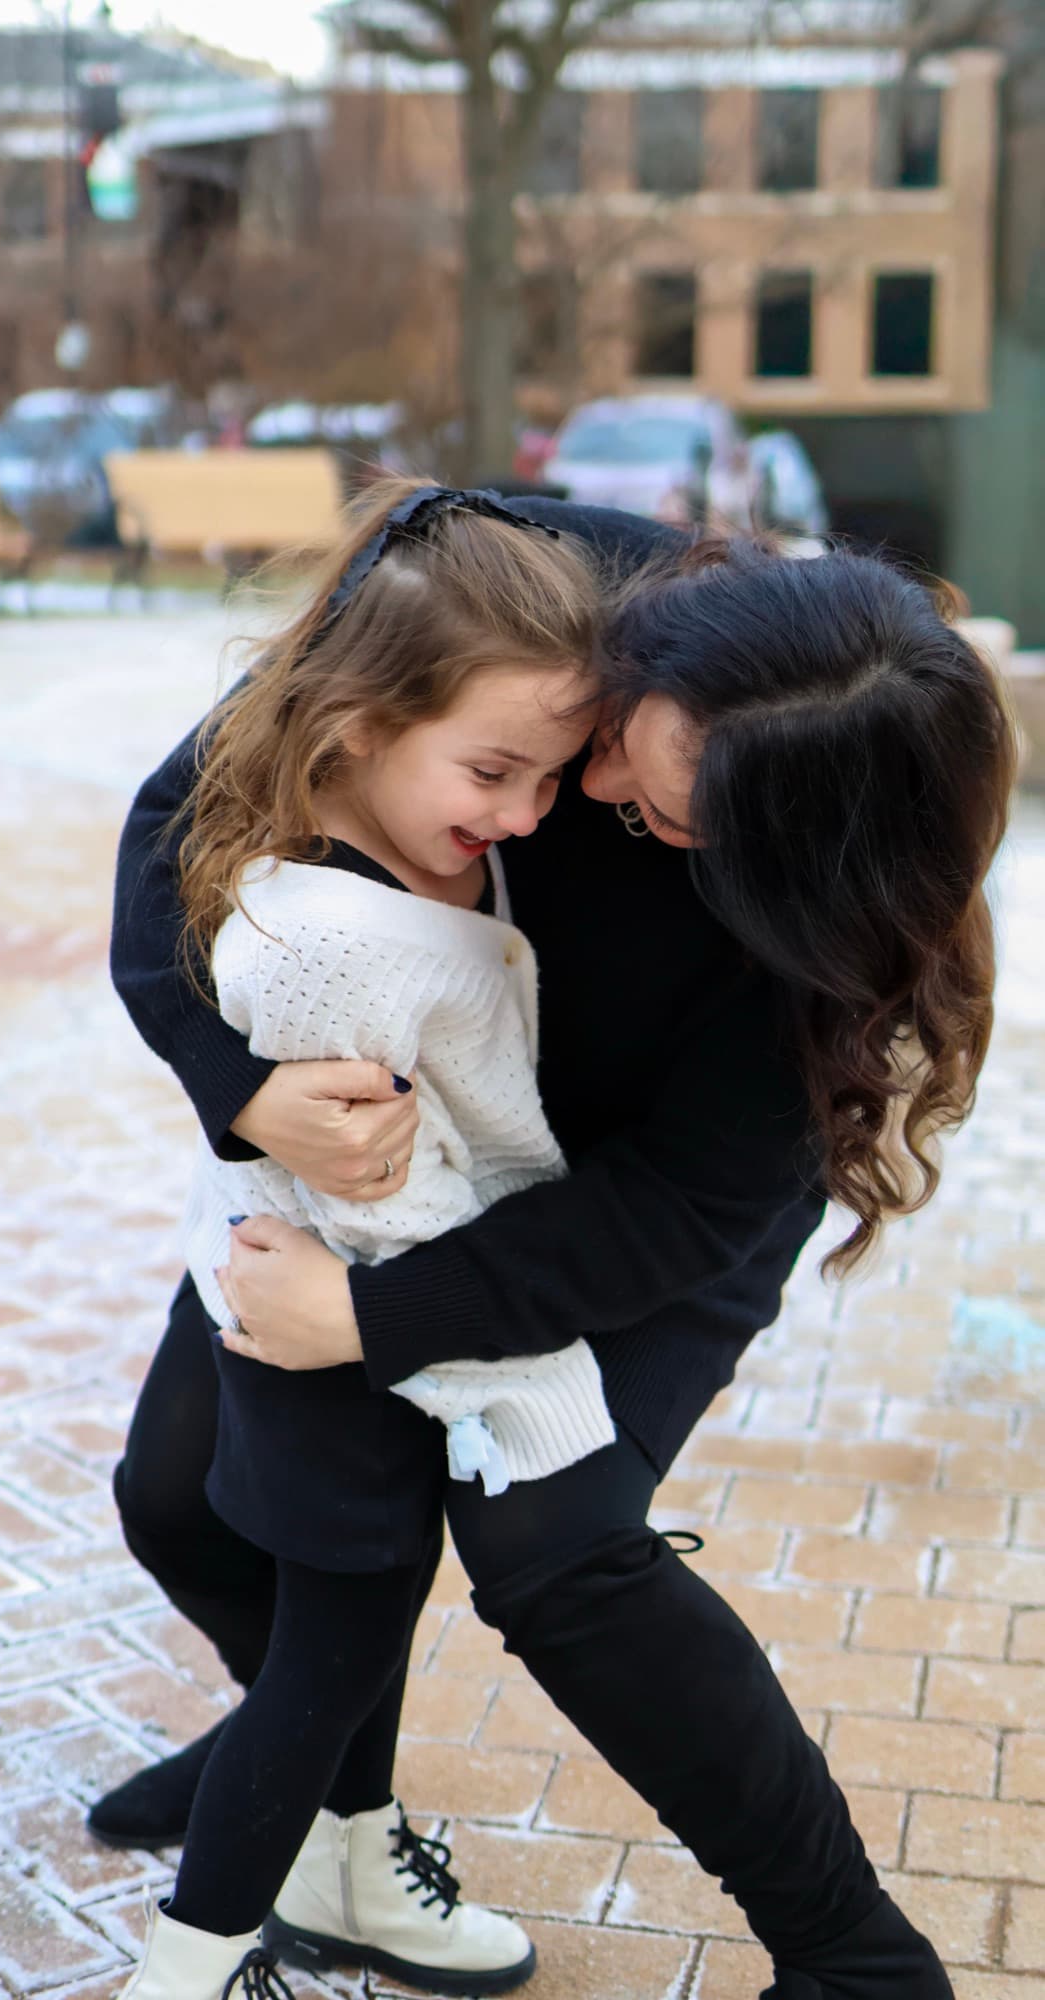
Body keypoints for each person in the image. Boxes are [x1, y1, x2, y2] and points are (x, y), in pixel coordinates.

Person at [100, 491, 1016, 2000]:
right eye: (610, 744)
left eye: (662, 821)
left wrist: (379, 1320)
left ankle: (854, 1957)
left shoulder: (824, 927)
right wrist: (239, 1087)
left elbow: (676, 1205)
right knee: (179, 1499)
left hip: (641, 1202)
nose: (579, 795)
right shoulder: (532, 582)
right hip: (425, 1146)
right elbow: (180, 812)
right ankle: (314, 1758)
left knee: (555, 1547)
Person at [113, 482, 627, 2000]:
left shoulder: (360, 837)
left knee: (320, 1652)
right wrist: (512, 1355)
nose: (529, 816)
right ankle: (206, 1953)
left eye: (551, 777)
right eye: (495, 771)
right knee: (311, 1648)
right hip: (350, 1324)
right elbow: (436, 1172)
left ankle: (346, 1841)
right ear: (352, 722)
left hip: (313, 1296)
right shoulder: (365, 930)